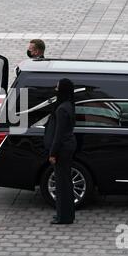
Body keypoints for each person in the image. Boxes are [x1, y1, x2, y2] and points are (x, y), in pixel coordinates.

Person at [44, 78, 77, 224]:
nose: (55, 89)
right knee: (66, 182)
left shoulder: (62, 109)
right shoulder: (69, 105)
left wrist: (52, 153)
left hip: (62, 149)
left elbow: (58, 134)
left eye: (57, 87)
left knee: (62, 184)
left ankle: (63, 216)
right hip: (67, 147)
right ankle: (67, 214)